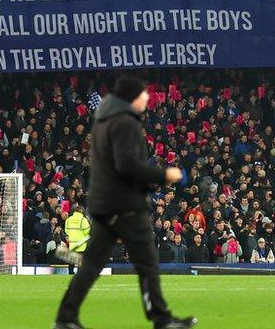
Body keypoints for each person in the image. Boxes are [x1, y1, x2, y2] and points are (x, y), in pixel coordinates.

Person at [54, 76, 196, 329]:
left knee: (92, 264)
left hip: (104, 203)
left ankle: (65, 318)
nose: (147, 98)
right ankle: (161, 319)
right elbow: (127, 165)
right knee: (147, 262)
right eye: (143, 94)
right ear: (132, 97)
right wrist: (163, 175)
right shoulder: (125, 123)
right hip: (124, 204)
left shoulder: (103, 121)